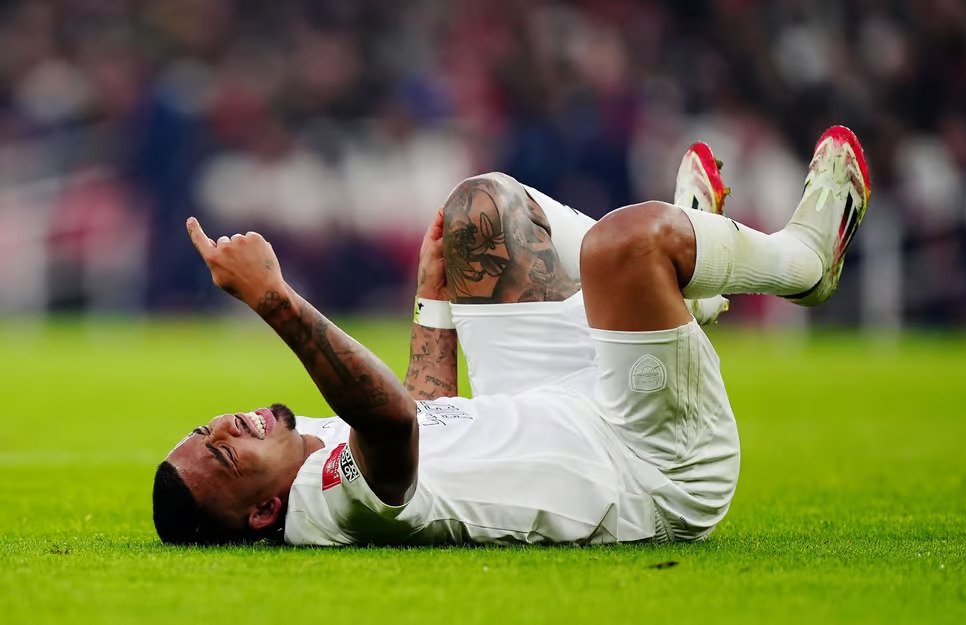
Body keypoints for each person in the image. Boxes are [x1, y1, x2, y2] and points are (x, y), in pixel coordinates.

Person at [152, 125, 870, 546]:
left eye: (205, 426)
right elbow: (393, 420)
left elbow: (428, 416)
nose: (225, 423)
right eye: (222, 449)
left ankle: (685, 290)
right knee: (622, 244)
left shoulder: (302, 454)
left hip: (551, 400)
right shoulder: (329, 501)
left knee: (477, 209)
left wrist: (433, 295)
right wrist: (273, 298)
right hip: (651, 463)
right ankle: (801, 263)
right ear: (263, 511)